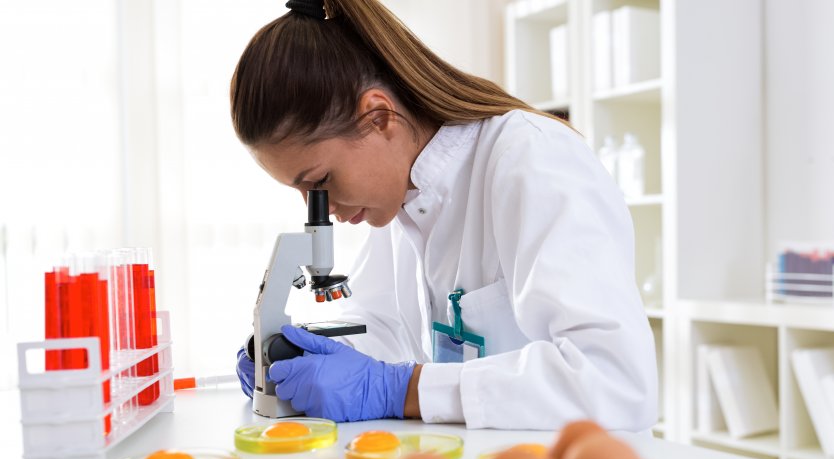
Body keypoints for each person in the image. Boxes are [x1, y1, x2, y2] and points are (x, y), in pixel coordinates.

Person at [231, 0, 657, 431]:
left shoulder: (530, 158)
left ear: (378, 118)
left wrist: (403, 389)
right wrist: (298, 359)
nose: (321, 208)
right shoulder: (398, 203)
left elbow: (614, 382)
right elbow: (381, 333)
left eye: (320, 181)